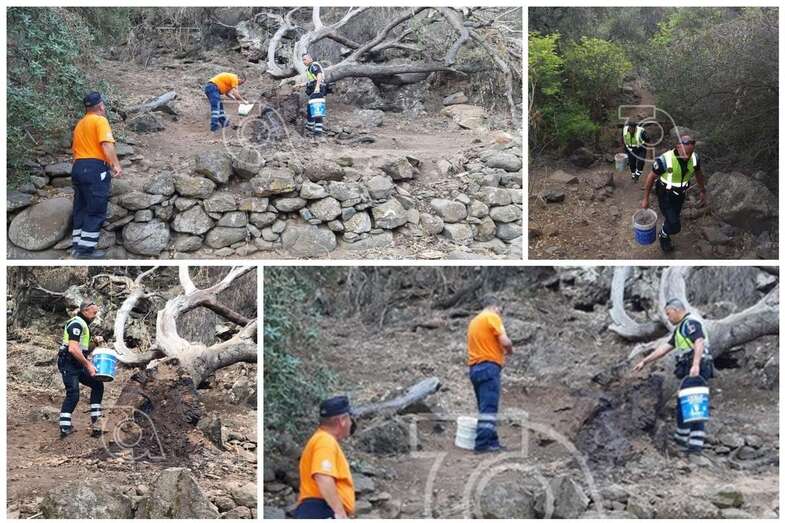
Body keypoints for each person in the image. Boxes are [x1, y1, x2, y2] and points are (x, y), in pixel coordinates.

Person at [633, 298, 714, 455]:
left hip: (696, 367)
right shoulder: (680, 329)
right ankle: (682, 440)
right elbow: (664, 348)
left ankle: (695, 447)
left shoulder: (690, 323)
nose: (668, 318)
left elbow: (699, 341)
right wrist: (645, 361)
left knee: (694, 403)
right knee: (685, 403)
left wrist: (695, 364)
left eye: (669, 314)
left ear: (676, 310)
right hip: (688, 366)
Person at [70, 91, 123, 259]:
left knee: (81, 208)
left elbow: (75, 151)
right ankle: (85, 252)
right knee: (96, 209)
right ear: (100, 106)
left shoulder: (80, 124)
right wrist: (115, 165)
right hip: (94, 168)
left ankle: (77, 246)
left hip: (78, 167)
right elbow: (106, 144)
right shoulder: (100, 120)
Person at [291, 396, 357, 519]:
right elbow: (323, 477)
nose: (351, 423)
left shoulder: (321, 439)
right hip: (322, 510)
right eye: (350, 418)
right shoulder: (325, 441)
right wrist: (340, 513)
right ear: (342, 420)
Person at [641, 134, 707, 253]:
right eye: (685, 153)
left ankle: (666, 228)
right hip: (665, 194)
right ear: (678, 147)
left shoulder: (695, 158)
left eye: (690, 153)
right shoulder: (665, 160)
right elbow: (651, 177)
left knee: (673, 216)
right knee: (675, 226)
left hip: (680, 194)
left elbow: (699, 174)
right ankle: (663, 234)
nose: (687, 157)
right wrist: (645, 198)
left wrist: (702, 190)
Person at [467, 295, 513, 453]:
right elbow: (505, 341)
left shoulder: (474, 321)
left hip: (475, 368)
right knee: (489, 408)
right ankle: (482, 444)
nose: (500, 315)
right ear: (495, 307)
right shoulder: (492, 317)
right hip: (489, 367)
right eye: (500, 311)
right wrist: (510, 350)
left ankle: (492, 442)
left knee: (484, 407)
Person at [58, 300, 105, 439]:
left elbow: (83, 349)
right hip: (68, 363)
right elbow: (73, 349)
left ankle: (96, 422)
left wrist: (94, 343)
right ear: (85, 311)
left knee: (97, 384)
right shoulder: (76, 324)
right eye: (94, 312)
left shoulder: (84, 325)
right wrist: (88, 365)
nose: (95, 315)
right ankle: (65, 427)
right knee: (73, 394)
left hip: (78, 363)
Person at [302, 53, 326, 137]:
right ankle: (310, 126)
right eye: (303, 60)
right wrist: (300, 85)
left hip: (317, 90)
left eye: (305, 59)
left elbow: (319, 75)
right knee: (310, 108)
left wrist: (317, 87)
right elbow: (312, 81)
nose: (303, 61)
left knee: (317, 109)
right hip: (314, 90)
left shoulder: (314, 66)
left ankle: (318, 132)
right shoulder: (309, 68)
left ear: (310, 59)